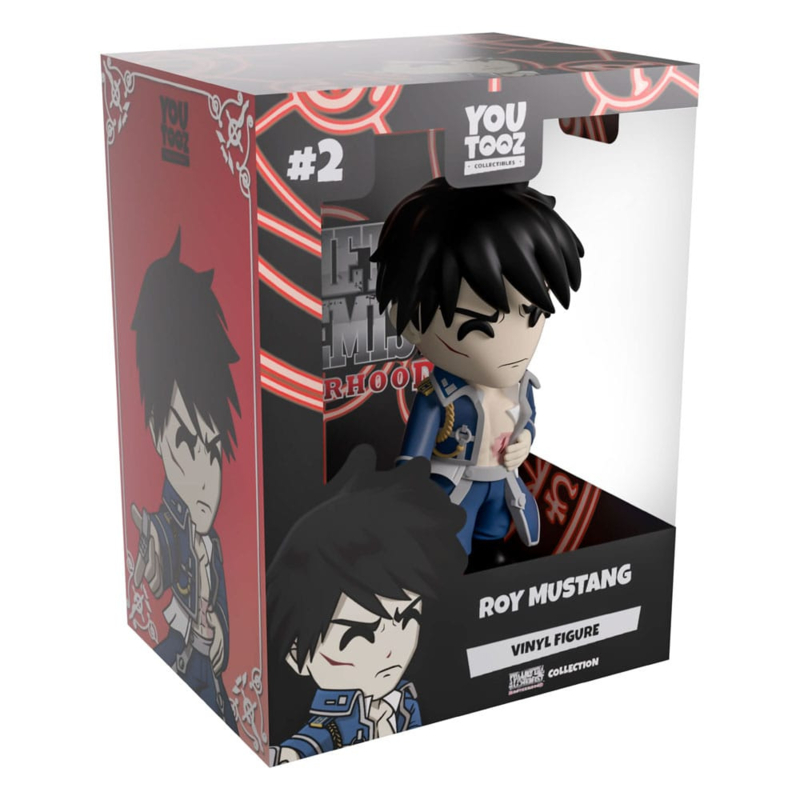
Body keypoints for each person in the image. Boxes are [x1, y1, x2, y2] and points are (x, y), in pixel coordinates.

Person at [372, 178, 584, 570]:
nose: (515, 344)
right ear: (411, 322)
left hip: (502, 483)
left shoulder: (521, 385)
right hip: (455, 487)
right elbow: (413, 455)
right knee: (455, 544)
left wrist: (525, 440)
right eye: (480, 325)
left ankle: (489, 564)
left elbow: (527, 419)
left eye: (532, 314)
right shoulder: (437, 396)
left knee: (494, 534)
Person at [267, 446, 465, 763]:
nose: (391, 649)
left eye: (407, 618)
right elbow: (297, 751)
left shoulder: (403, 704)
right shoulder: (326, 733)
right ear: (296, 654)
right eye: (361, 633)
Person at [130, 230, 240, 731]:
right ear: (157, 435)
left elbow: (224, 615)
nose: (205, 476)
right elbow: (157, 544)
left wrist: (219, 633)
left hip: (206, 673)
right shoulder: (171, 527)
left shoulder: (211, 544)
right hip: (177, 661)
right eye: (187, 444)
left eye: (213, 450)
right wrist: (152, 546)